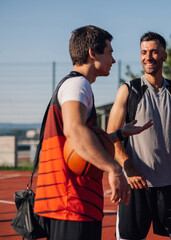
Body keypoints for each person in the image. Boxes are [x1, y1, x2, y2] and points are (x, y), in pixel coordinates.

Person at [33, 25, 152, 240]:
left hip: (67, 200)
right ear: (92, 53)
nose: (113, 60)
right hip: (72, 200)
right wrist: (114, 168)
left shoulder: (73, 85)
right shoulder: (78, 85)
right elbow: (74, 129)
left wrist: (119, 134)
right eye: (110, 53)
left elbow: (83, 137)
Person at [107, 31, 171, 240]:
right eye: (144, 52)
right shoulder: (129, 90)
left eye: (154, 52)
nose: (148, 56)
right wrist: (128, 165)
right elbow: (111, 135)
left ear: (164, 55)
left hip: (170, 185)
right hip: (136, 186)